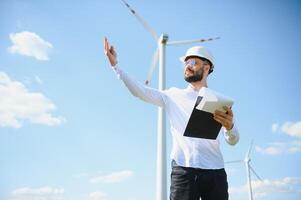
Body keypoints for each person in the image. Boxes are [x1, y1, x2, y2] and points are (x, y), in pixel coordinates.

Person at [103, 36, 239, 200]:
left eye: (193, 63)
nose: (187, 67)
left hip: (215, 172)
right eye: (186, 63)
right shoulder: (173, 95)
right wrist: (115, 66)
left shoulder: (219, 101)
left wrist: (229, 127)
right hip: (183, 171)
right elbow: (139, 91)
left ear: (206, 67)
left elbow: (233, 140)